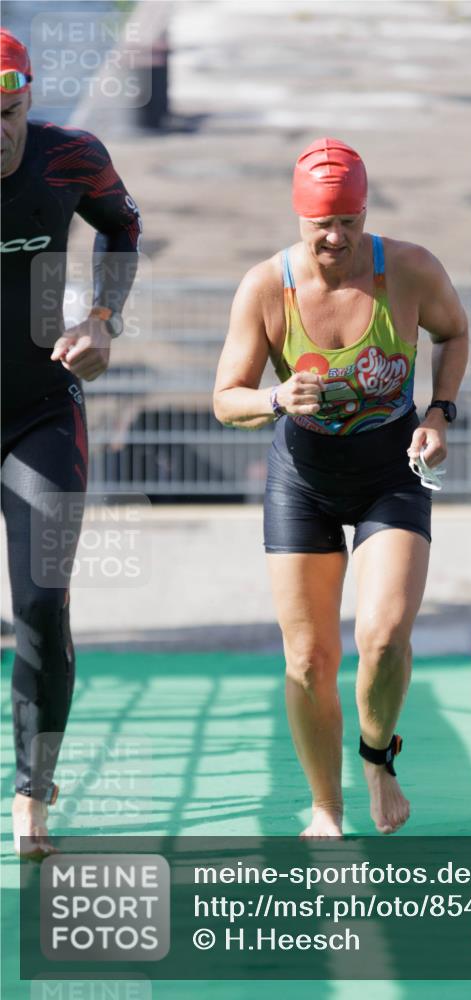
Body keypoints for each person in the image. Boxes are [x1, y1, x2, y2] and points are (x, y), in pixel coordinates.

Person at [213, 137, 468, 837]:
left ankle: (377, 757)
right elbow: (226, 398)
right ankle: (326, 807)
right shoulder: (266, 288)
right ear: (298, 216)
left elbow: (454, 333)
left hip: (391, 472)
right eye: (320, 224)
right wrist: (274, 398)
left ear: (365, 213)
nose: (334, 237)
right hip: (304, 481)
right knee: (308, 660)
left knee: (383, 638)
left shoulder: (409, 269)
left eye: (348, 222)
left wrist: (440, 412)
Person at [1, 29, 141, 858]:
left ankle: (32, 792)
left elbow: (122, 226)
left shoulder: (69, 157)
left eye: (8, 112)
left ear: (27, 98)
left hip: (40, 413)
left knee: (41, 604)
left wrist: (101, 319)